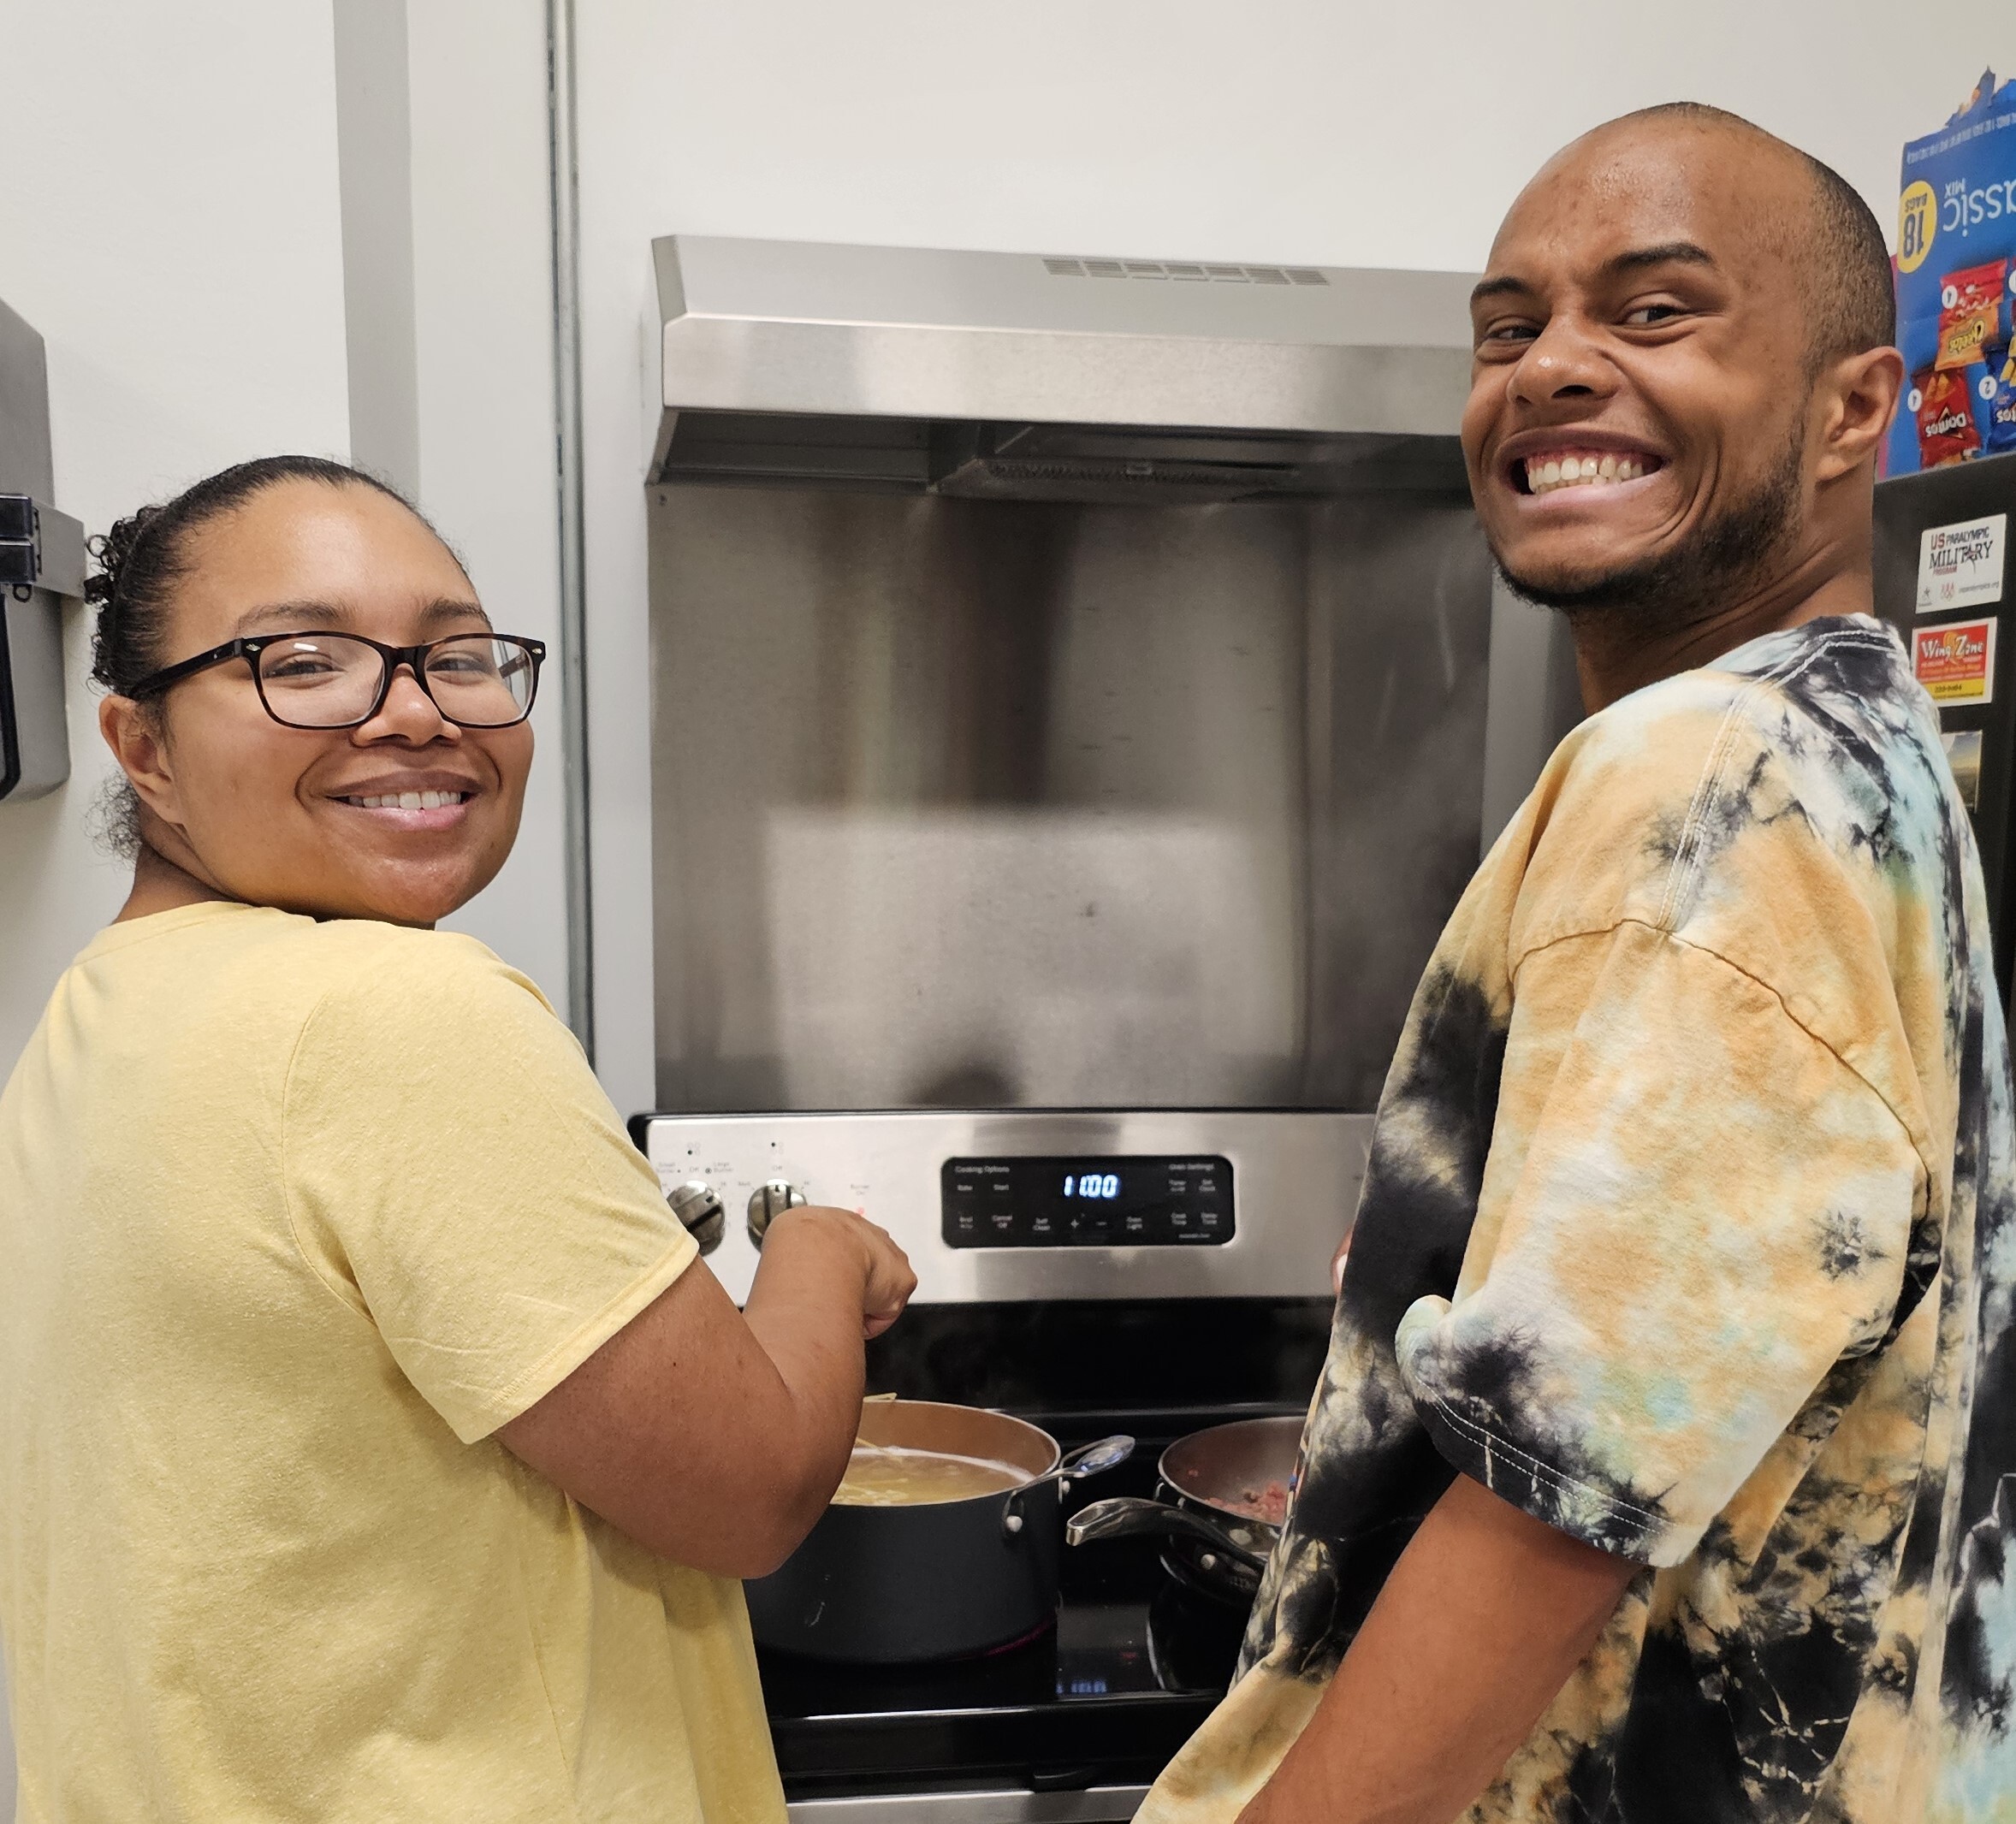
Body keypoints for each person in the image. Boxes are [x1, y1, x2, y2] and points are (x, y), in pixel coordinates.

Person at [1140, 104, 2016, 1824]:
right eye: (1507, 326)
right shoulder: (1871, 743)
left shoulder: (1708, 780)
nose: (1548, 368)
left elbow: (1551, 1496)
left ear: (1851, 406)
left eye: (1651, 309)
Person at [0, 455, 916, 1821]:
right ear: (144, 748)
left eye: (460, 658)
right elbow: (752, 1491)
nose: (417, 716)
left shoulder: (105, 1002)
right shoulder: (395, 1012)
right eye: (303, 662)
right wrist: (821, 1254)